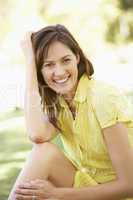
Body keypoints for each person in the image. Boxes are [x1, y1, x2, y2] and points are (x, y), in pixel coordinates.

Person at [8, 24, 133, 200]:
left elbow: (129, 186)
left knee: (44, 176)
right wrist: (29, 61)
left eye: (65, 60)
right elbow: (37, 135)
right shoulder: (61, 103)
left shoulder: (104, 98)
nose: (59, 72)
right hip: (89, 185)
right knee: (43, 153)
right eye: (48, 65)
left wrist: (58, 194)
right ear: (39, 71)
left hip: (120, 196)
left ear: (77, 58)